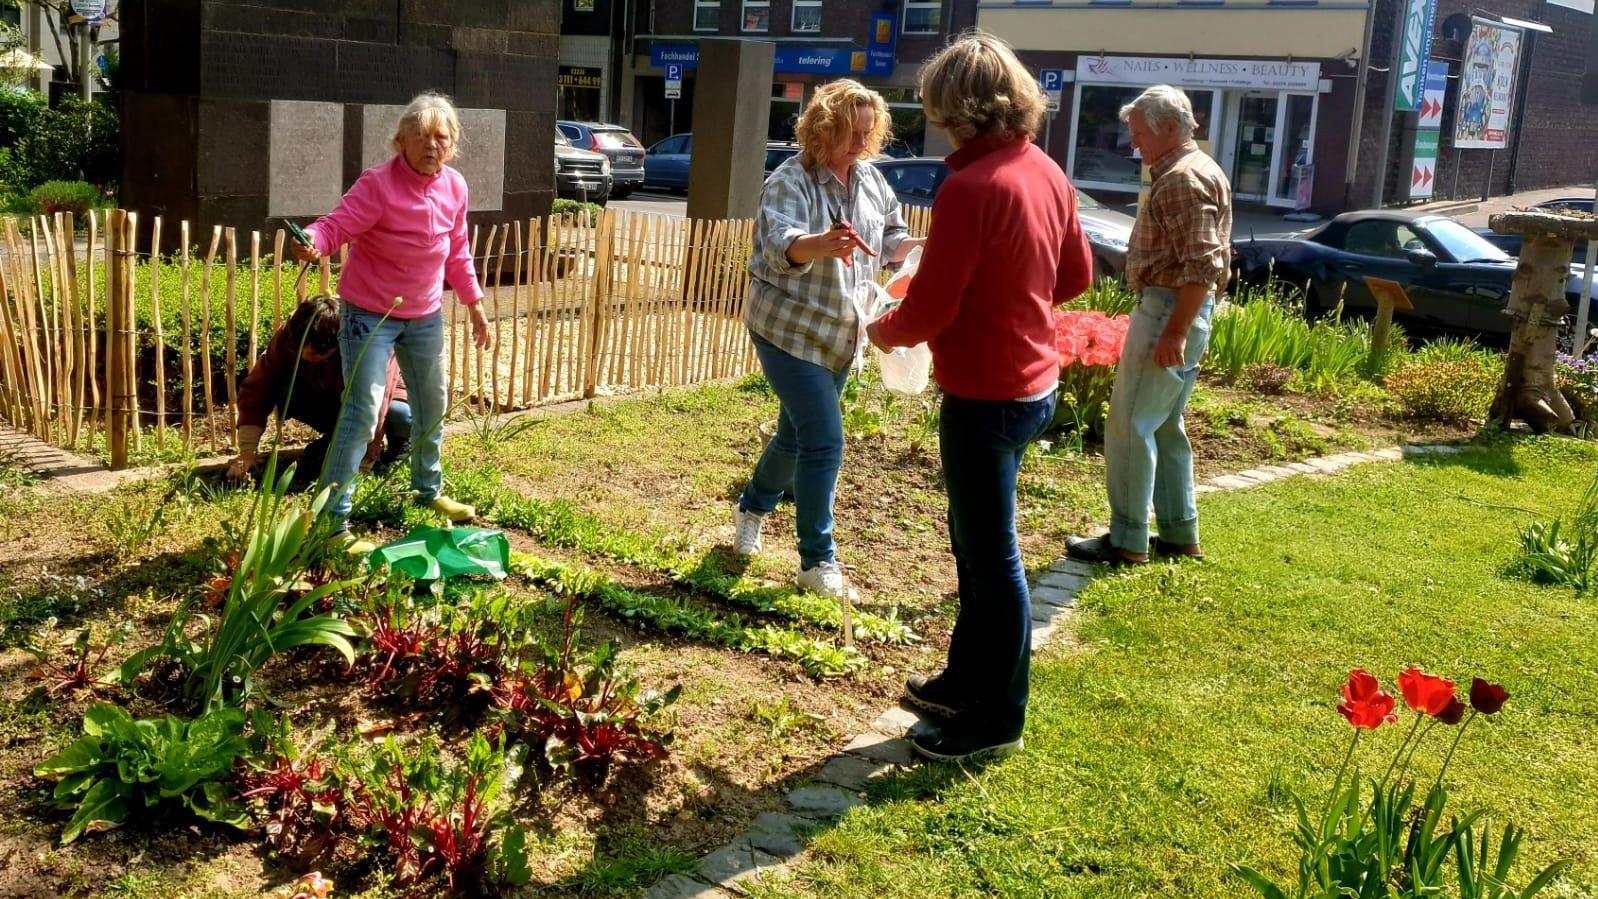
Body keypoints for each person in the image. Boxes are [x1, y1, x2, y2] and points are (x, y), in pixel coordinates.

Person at [867, 33, 1092, 761]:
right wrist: (1009, 295)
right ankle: (966, 677)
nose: (932, 118)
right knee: (975, 542)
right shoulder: (1045, 170)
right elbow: (1074, 277)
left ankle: (998, 715)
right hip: (1035, 383)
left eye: (935, 106)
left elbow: (929, 311)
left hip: (986, 394)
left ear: (954, 108)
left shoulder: (968, 187)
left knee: (991, 555)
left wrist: (882, 329)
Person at [731, 79, 924, 600]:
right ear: (823, 128)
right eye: (850, 132)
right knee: (825, 440)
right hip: (788, 331)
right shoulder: (790, 180)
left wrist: (917, 247)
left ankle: (751, 506)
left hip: (842, 333)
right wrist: (819, 244)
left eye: (868, 132)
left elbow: (889, 238)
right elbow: (778, 246)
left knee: (795, 438)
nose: (861, 143)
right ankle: (818, 562)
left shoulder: (871, 182)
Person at [291, 92, 492, 554]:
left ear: (453, 144)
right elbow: (337, 224)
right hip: (370, 315)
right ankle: (333, 520)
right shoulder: (377, 184)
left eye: (441, 137)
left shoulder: (455, 186)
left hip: (424, 314)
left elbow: (456, 249)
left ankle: (428, 490)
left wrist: (475, 303)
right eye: (419, 136)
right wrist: (314, 242)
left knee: (432, 403)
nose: (430, 145)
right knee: (362, 412)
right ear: (399, 141)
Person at [1066, 85, 1233, 566]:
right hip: (1182, 309)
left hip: (1168, 309)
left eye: (1140, 134)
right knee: (1163, 426)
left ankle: (1127, 538)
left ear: (1172, 128)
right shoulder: (1202, 169)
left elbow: (1202, 264)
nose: (1134, 145)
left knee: (1130, 424)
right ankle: (1180, 532)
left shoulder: (1182, 178)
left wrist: (1174, 331)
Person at [226, 295, 410, 486]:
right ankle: (333, 441)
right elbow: (257, 389)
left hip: (383, 392)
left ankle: (400, 446)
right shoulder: (289, 335)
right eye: (301, 350)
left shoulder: (363, 340)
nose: (306, 356)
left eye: (316, 353)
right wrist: (247, 453)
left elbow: (378, 397)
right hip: (329, 392)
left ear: (336, 343)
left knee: (400, 413)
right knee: (284, 390)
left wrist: (368, 449)